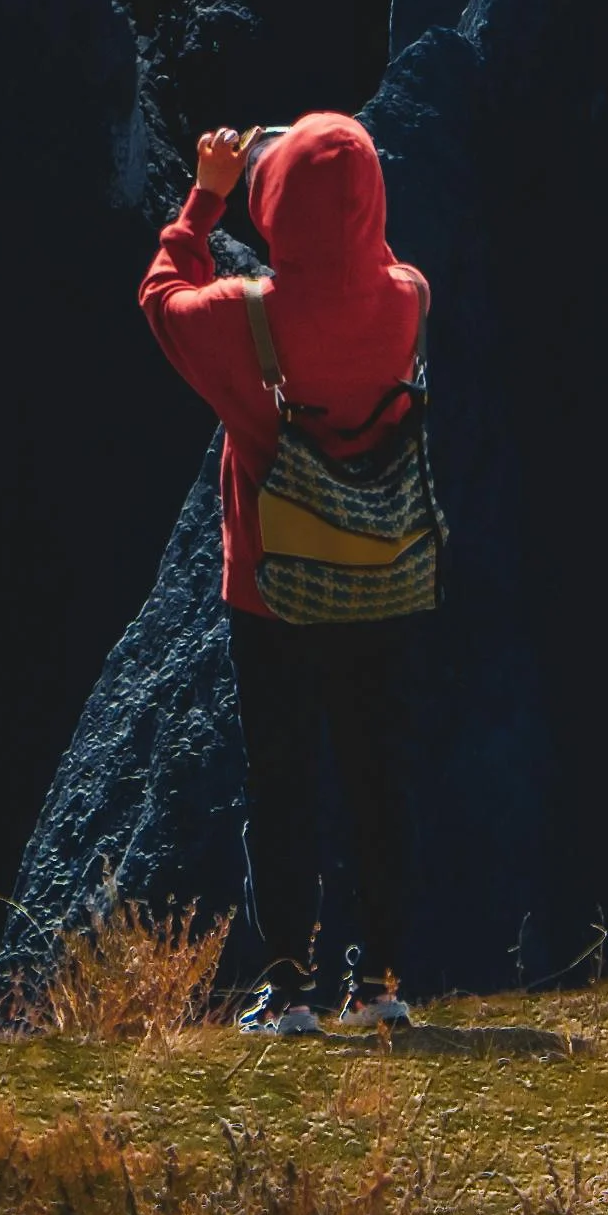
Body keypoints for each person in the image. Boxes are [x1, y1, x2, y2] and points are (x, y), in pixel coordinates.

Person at [140, 109, 432, 1034]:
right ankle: (382, 983)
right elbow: (366, 251)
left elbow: (160, 296)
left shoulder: (243, 319)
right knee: (376, 778)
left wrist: (207, 198)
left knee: (284, 783)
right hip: (382, 577)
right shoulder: (408, 299)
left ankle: (291, 987)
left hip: (272, 592)